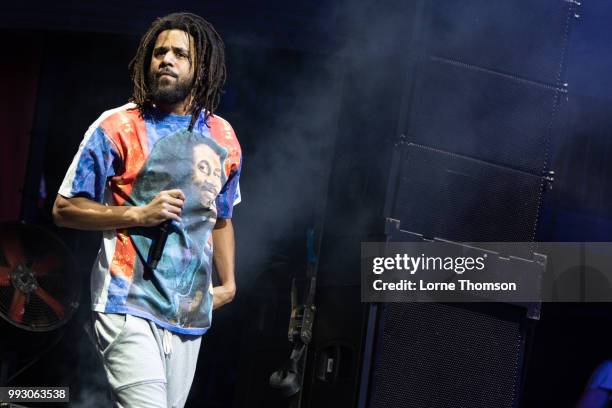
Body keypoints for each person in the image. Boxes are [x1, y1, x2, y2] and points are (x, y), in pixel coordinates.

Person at [52, 12, 242, 408]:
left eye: (179, 54)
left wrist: (229, 283)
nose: (166, 60)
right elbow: (65, 208)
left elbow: (221, 215)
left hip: (188, 315)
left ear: (201, 67)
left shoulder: (223, 135)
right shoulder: (117, 126)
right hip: (126, 303)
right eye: (159, 52)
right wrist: (137, 215)